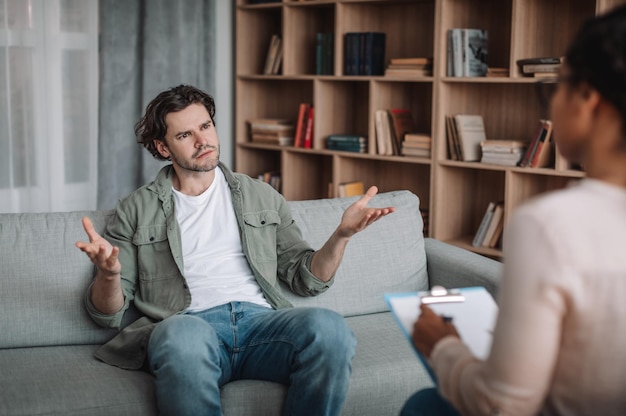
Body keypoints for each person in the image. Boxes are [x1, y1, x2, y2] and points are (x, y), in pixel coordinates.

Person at [75, 84, 395, 416]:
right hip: (189, 326)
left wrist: (341, 236)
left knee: (330, 328)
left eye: (205, 126)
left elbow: (307, 280)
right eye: (185, 135)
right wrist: (109, 275)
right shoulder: (135, 209)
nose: (202, 141)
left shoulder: (261, 195)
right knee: (181, 335)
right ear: (163, 147)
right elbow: (106, 314)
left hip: (262, 325)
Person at [402, 5, 626, 416]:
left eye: (555, 86)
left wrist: (443, 346)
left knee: (424, 406)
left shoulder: (553, 224)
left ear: (588, 99)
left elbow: (502, 405)